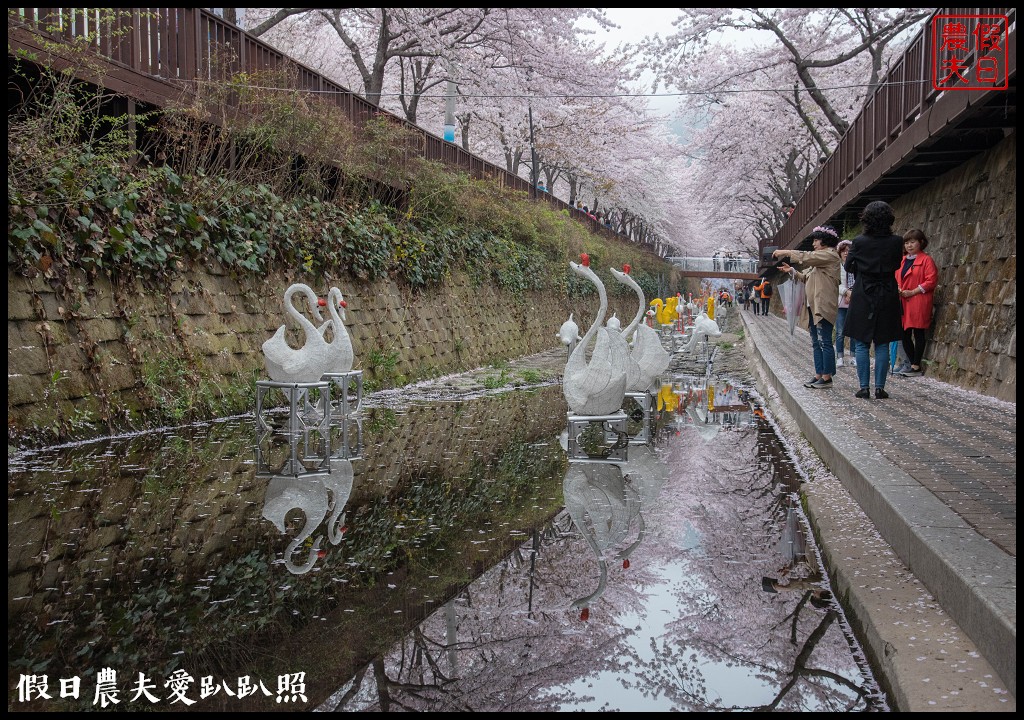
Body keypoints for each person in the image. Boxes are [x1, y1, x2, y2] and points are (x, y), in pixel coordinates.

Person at [843, 201, 904, 399]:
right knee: (882, 342)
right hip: (887, 292)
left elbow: (848, 266)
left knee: (861, 342)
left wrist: (863, 269)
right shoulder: (897, 241)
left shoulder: (859, 241)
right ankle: (879, 387)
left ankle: (863, 388)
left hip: (863, 292)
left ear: (866, 219)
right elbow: (896, 264)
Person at [774, 226, 842, 389]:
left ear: (825, 241)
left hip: (822, 305)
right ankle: (819, 373)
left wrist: (787, 252)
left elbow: (808, 257)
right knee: (815, 341)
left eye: (816, 240)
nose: (813, 244)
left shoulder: (830, 255)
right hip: (812, 305)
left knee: (824, 340)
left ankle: (827, 377)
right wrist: (792, 271)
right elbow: (806, 277)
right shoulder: (819, 261)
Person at [894, 228, 939, 376]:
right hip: (903, 300)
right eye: (906, 243)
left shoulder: (926, 260)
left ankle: (915, 365)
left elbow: (931, 281)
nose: (909, 246)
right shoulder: (902, 260)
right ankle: (912, 362)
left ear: (921, 242)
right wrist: (899, 288)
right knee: (903, 333)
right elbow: (896, 277)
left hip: (919, 300)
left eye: (912, 242)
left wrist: (913, 291)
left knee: (918, 332)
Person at [835, 239, 856, 368]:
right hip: (840, 302)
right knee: (840, 331)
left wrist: (852, 293)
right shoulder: (837, 267)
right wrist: (846, 292)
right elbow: (835, 283)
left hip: (855, 301)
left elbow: (859, 280)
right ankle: (840, 357)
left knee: (854, 330)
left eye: (848, 251)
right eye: (843, 251)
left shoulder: (856, 265)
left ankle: (854, 356)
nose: (846, 253)